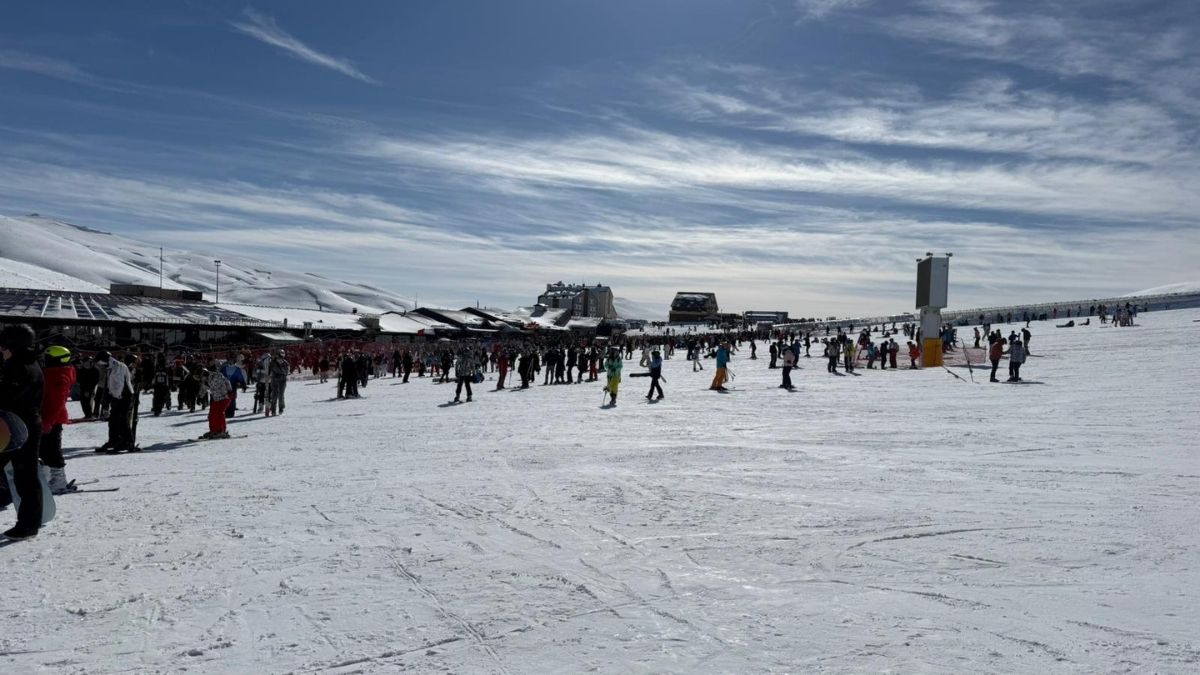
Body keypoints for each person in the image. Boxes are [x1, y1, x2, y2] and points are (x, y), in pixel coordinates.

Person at [0, 324, 45, 539]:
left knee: (25, 476)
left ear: (13, 346)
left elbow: (7, 397)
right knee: (23, 475)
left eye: (4, 346)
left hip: (17, 428)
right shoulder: (28, 363)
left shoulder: (18, 368)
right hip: (19, 425)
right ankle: (28, 521)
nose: (1, 350)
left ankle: (28, 524)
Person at [40, 346, 75, 493]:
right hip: (45, 417)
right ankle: (48, 477)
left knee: (52, 448)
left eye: (48, 358)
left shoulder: (59, 375)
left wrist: (49, 421)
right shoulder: (52, 372)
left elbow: (58, 402)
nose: (44, 360)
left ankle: (58, 481)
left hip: (52, 418)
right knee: (44, 448)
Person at [95, 351, 135, 453]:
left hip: (124, 396)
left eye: (101, 363)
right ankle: (114, 440)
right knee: (113, 420)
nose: (101, 365)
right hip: (116, 396)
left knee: (122, 419)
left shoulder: (119, 366)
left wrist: (116, 398)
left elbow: (120, 385)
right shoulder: (110, 368)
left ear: (105, 360)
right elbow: (109, 385)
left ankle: (127, 442)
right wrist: (107, 401)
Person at [204, 363, 233, 439]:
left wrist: (205, 380)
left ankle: (221, 431)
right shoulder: (210, 377)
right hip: (217, 398)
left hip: (224, 397)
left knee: (219, 414)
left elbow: (215, 386)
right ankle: (213, 430)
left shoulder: (218, 376)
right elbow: (207, 387)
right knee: (212, 415)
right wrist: (200, 395)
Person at [76, 355, 101, 419]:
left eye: (87, 363)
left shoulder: (95, 370)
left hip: (90, 388)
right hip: (83, 387)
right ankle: (87, 414)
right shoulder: (82, 369)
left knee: (88, 401)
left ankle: (89, 414)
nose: (85, 365)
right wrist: (79, 370)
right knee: (83, 401)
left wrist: (88, 390)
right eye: (84, 363)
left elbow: (94, 381)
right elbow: (78, 379)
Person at [267, 349, 289, 415]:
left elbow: (286, 371)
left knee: (281, 395)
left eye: (283, 354)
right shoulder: (273, 362)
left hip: (282, 380)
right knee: (274, 395)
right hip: (275, 380)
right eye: (281, 354)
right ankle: (273, 410)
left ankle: (281, 408)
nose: (282, 355)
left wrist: (282, 368)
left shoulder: (285, 362)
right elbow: (269, 370)